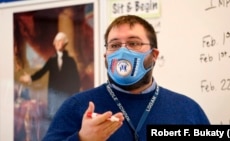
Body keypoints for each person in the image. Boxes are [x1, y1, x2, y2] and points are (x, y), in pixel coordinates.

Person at [42, 15, 210, 141]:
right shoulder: (77, 107)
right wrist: (82, 139)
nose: (123, 52)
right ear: (105, 57)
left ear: (154, 55)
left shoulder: (187, 110)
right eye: (114, 45)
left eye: (134, 43)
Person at [19, 32, 80, 119]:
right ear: (54, 44)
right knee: (53, 117)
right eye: (56, 42)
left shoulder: (70, 61)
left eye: (60, 41)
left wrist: (75, 95)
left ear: (65, 43)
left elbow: (75, 79)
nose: (58, 44)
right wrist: (30, 78)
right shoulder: (52, 60)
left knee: (66, 116)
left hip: (66, 94)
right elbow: (42, 72)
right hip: (53, 94)